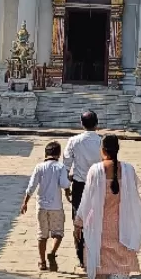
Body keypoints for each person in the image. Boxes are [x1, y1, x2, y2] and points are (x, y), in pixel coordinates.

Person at [74, 133, 141, 279]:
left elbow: (87, 201)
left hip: (99, 227)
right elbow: (135, 192)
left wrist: (79, 222)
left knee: (97, 263)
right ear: (117, 150)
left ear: (102, 150)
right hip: (123, 228)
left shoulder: (96, 170)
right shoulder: (129, 170)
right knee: (121, 268)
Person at [20, 140, 70, 271]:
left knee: (42, 235)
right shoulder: (60, 167)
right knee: (58, 233)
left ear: (46, 153)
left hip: (41, 206)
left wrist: (25, 202)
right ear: (58, 154)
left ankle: (42, 262)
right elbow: (65, 184)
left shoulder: (39, 167)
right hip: (56, 206)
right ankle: (52, 253)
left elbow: (31, 186)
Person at [63, 109, 103, 270]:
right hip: (98, 185)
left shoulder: (74, 141)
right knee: (97, 220)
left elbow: (65, 165)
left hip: (79, 185)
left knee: (78, 221)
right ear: (97, 124)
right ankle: (94, 255)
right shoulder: (102, 142)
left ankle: (81, 257)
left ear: (81, 124)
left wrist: (66, 186)